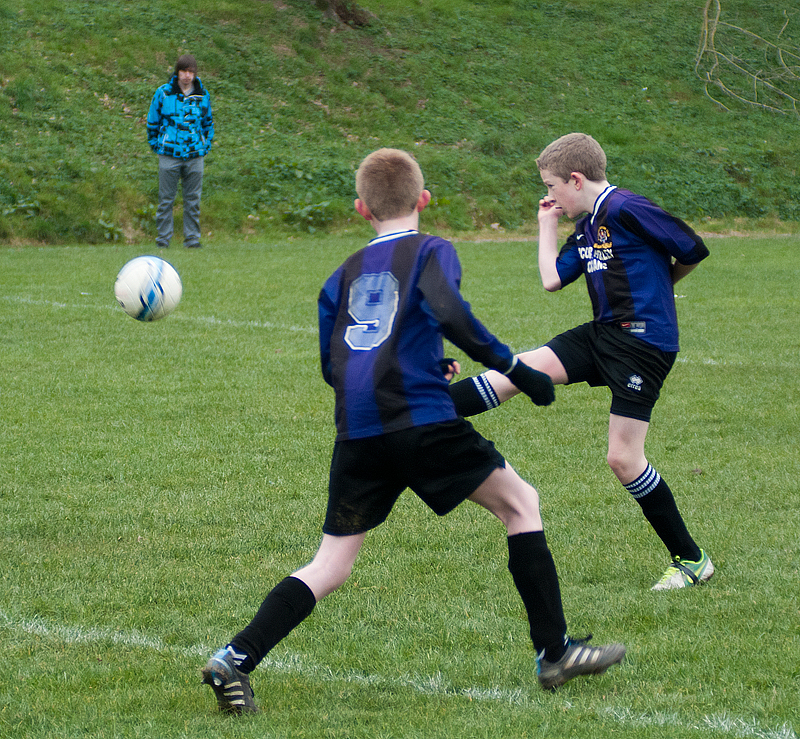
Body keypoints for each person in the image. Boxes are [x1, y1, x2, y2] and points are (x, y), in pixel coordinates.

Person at [201, 148, 625, 714]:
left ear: (361, 209)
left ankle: (235, 658)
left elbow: (337, 365)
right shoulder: (431, 249)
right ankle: (555, 653)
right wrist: (516, 368)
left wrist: (427, 365)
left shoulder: (341, 275)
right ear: (424, 200)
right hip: (421, 424)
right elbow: (450, 312)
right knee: (522, 505)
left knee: (330, 565)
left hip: (358, 432)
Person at [449, 133, 714, 592]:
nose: (548, 195)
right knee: (519, 370)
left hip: (644, 344)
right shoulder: (587, 225)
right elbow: (552, 280)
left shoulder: (626, 208)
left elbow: (692, 248)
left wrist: (661, 286)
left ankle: (692, 560)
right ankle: (420, 410)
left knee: (623, 459)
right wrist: (546, 224)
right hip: (602, 334)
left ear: (575, 178)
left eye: (551, 187)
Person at [146, 54, 214, 249]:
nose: (187, 76)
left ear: (195, 74)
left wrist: (205, 145)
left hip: (195, 156)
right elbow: (153, 121)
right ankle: (163, 239)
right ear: (177, 72)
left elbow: (208, 123)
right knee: (166, 199)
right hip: (169, 154)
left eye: (191, 72)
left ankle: (192, 239)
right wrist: (157, 145)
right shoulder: (164, 93)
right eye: (183, 71)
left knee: (193, 200)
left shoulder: (202, 95)